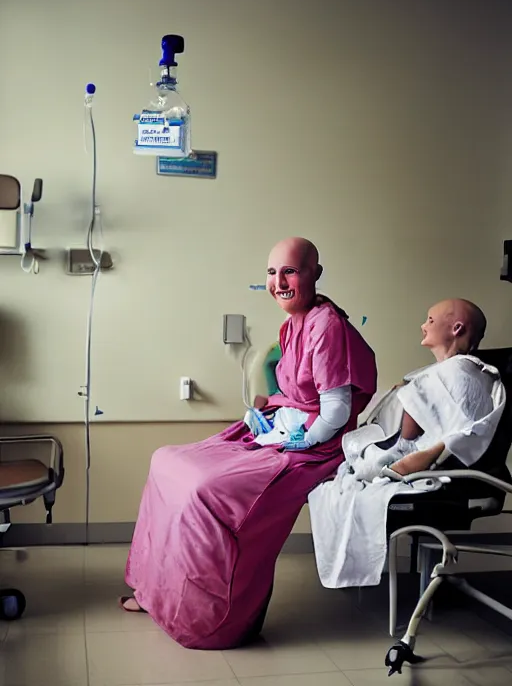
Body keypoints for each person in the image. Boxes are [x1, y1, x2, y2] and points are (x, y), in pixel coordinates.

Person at [120, 237, 377, 649]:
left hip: (313, 448)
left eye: (290, 271)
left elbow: (334, 412)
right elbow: (296, 389)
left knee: (204, 490)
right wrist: (265, 412)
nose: (279, 282)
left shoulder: (327, 325)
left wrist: (299, 438)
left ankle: (211, 619)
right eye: (272, 273)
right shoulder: (293, 323)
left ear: (315, 273)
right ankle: (156, 595)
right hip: (283, 428)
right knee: (167, 462)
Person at [309, 298, 506, 589]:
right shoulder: (467, 374)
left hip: (440, 474)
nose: (423, 325)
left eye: (429, 319)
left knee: (336, 484)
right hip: (453, 468)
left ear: (456, 327)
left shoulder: (454, 373)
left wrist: (408, 396)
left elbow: (410, 434)